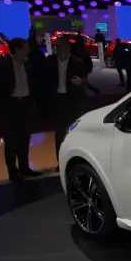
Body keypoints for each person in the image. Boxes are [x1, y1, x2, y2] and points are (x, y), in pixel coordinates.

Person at [0, 38, 41, 180]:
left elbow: (34, 84)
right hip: (10, 105)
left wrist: (32, 101)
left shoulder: (29, 65)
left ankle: (24, 167)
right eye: (24, 48)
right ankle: (12, 171)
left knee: (24, 137)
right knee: (11, 140)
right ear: (17, 50)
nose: (27, 51)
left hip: (25, 104)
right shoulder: (2, 66)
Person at [47, 38, 87, 169]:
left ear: (68, 48)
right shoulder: (50, 61)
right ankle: (61, 162)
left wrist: (80, 81)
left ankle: (75, 161)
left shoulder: (77, 63)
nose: (59, 49)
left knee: (74, 133)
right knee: (59, 134)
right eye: (57, 47)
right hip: (57, 101)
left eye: (62, 47)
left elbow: (85, 80)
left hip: (73, 102)